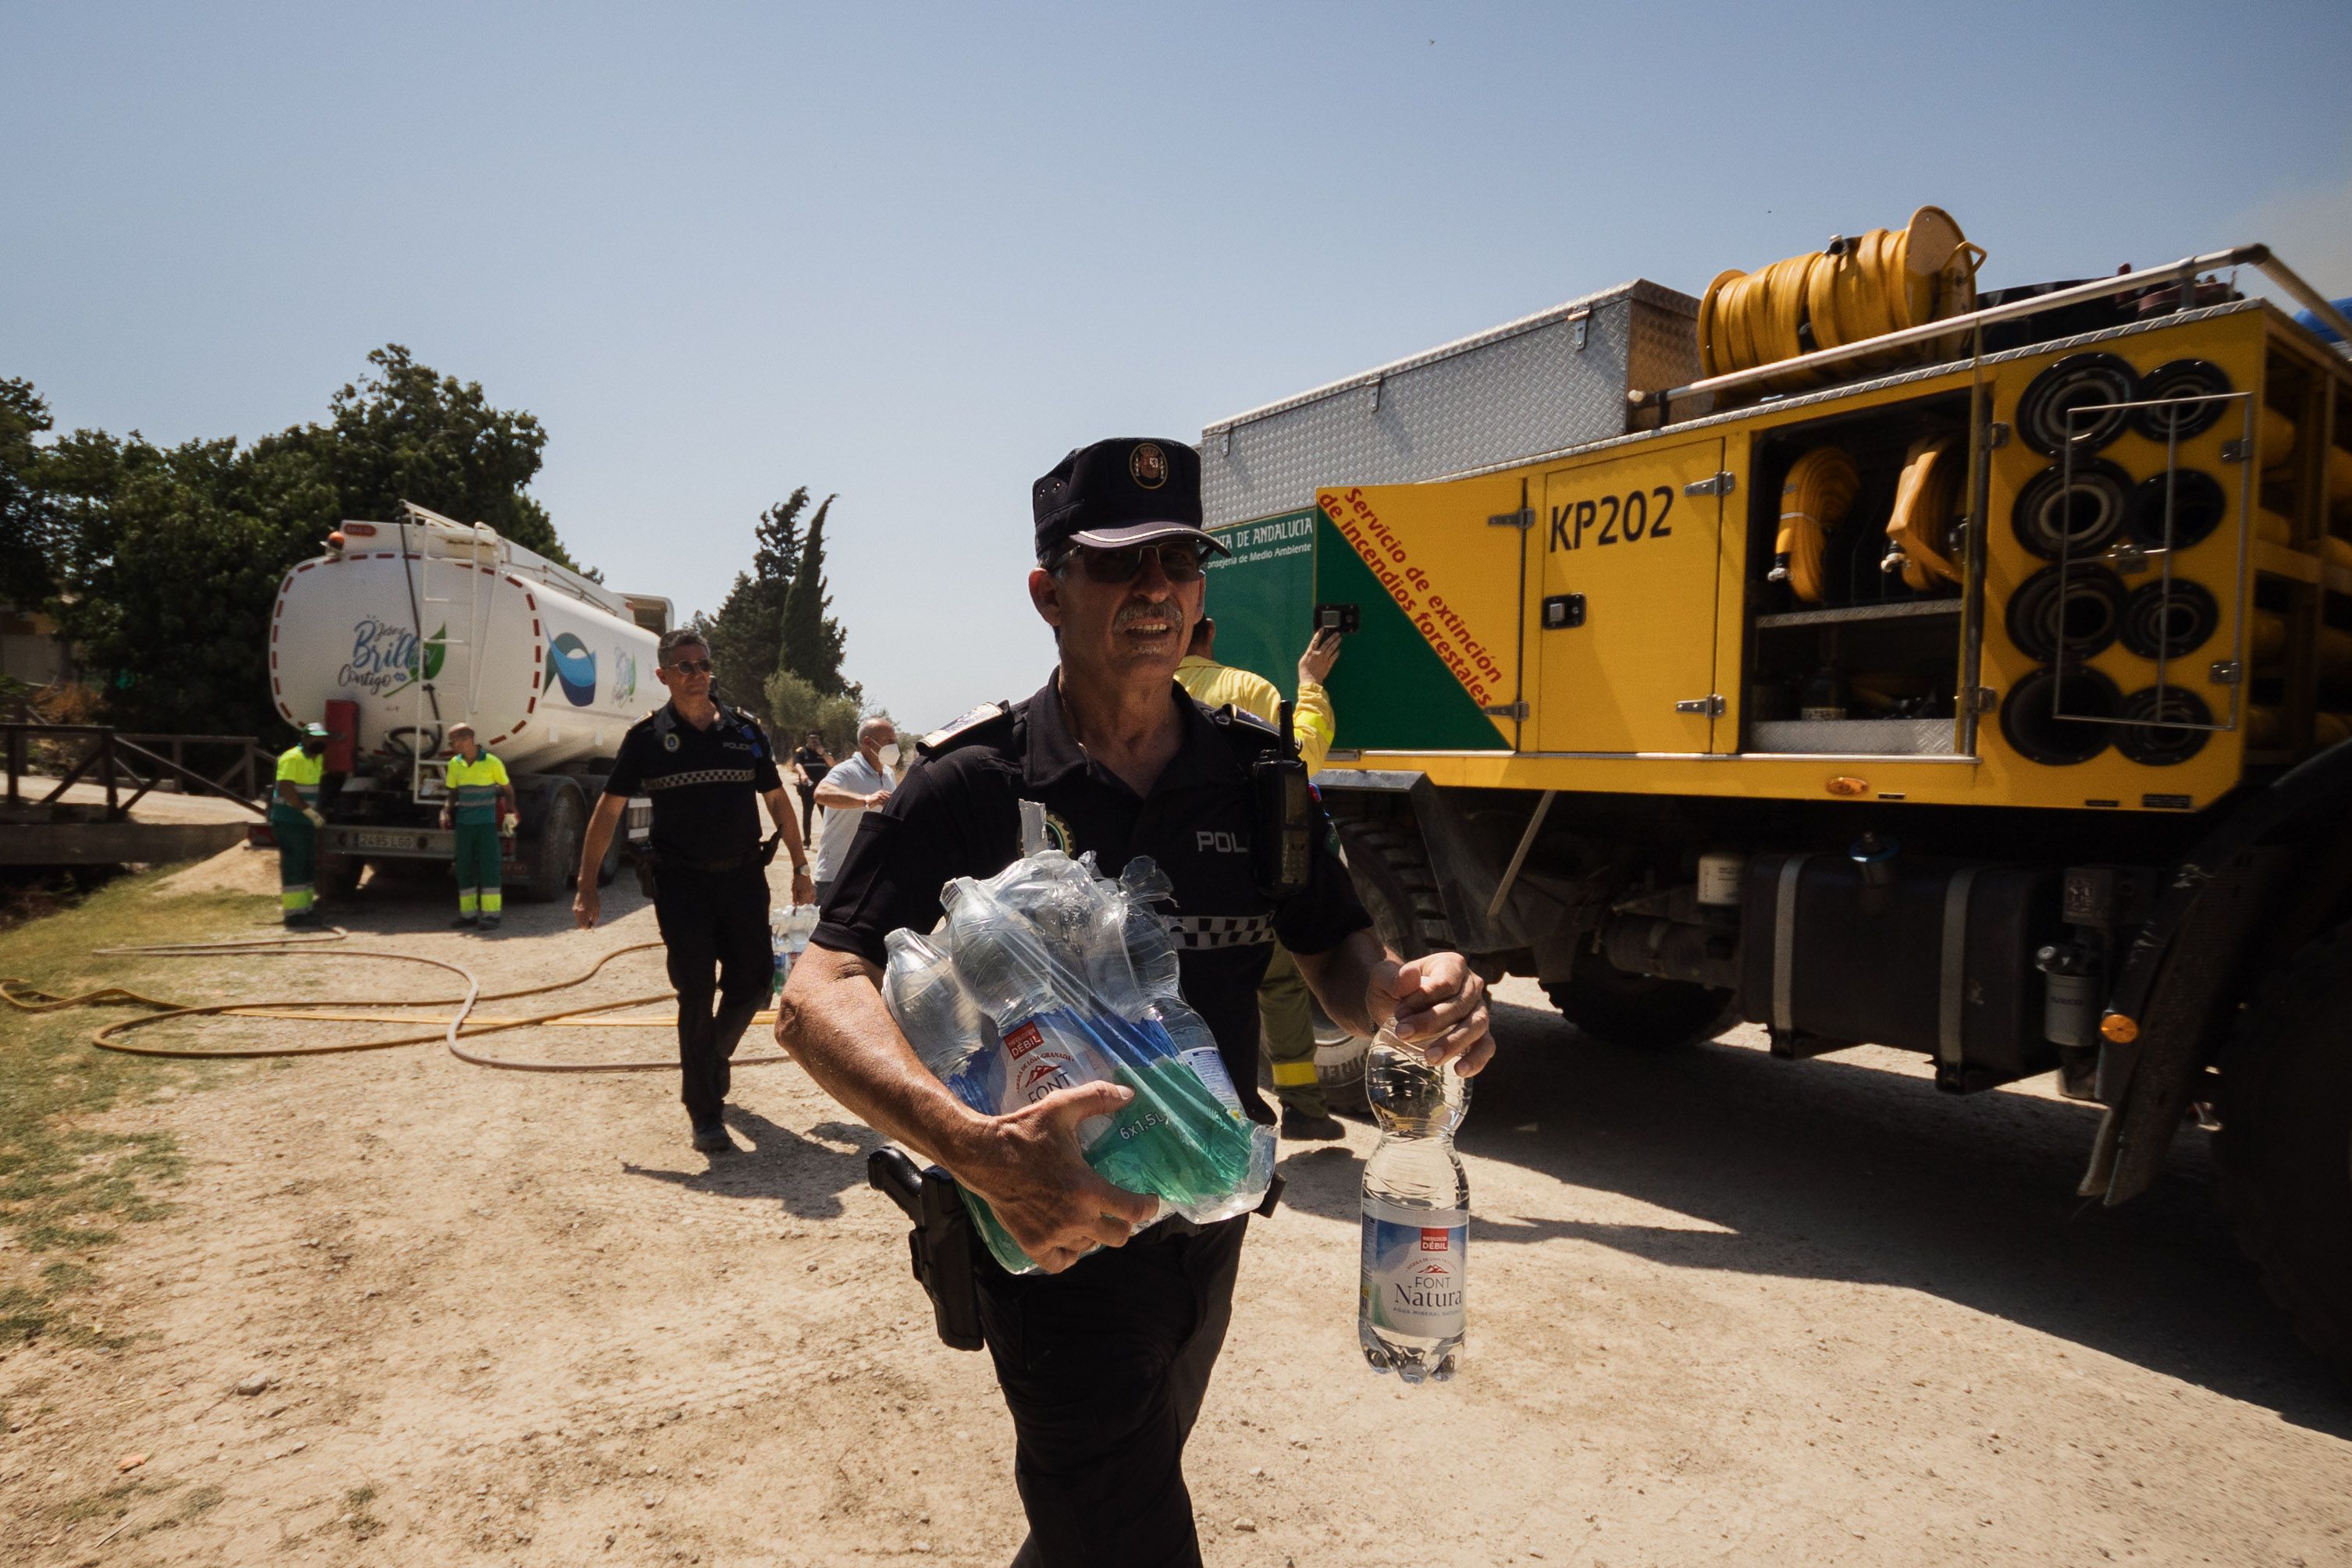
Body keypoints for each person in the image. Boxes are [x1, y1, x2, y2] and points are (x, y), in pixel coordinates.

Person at [774, 437, 1494, 1568]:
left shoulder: (1259, 777)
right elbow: (815, 991)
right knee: (1129, 1534)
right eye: (1119, 564)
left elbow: (1334, 950)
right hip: (1046, 1232)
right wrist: (974, 1149)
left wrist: (1406, 1002)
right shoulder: (972, 781)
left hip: (1208, 1216)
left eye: (1178, 560)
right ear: (1048, 592)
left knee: (1101, 1513)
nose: (1156, 588)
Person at [575, 629, 816, 1153]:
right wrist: (587, 884)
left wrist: (800, 863)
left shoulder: (745, 733)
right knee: (695, 992)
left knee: (754, 983)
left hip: (742, 878)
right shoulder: (645, 739)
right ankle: (704, 1110)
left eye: (703, 663)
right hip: (681, 883)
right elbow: (607, 811)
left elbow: (776, 801)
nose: (696, 673)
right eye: (684, 666)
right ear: (662, 675)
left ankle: (712, 1060)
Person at [1175, 616, 1346, 1140]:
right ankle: (1301, 1109)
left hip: (1167, 872)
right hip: (1240, 868)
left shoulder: (1133, 692)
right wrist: (1311, 685)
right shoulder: (1243, 688)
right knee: (1278, 981)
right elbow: (1301, 755)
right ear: (1209, 632)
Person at [808, 716, 898, 908]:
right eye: (888, 741)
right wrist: (865, 800)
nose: (894, 746)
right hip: (836, 874)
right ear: (868, 742)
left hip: (870, 874)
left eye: (895, 741)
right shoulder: (847, 770)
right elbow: (821, 793)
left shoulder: (888, 774)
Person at [437, 721, 518, 931]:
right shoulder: (454, 764)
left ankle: (492, 916)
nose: (455, 746)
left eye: (457, 741)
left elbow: (508, 791)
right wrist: (446, 810)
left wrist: (509, 813)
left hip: (486, 825)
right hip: (464, 825)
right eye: (452, 742)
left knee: (490, 868)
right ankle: (468, 916)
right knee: (463, 869)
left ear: (470, 739)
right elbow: (453, 792)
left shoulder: (492, 762)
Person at [270, 721, 331, 928]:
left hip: (304, 822)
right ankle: (294, 915)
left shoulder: (317, 758)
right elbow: (287, 789)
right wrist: (309, 812)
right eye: (315, 738)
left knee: (306, 864)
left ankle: (305, 910)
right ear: (304, 739)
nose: (319, 741)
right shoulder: (291, 757)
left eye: (322, 738)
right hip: (289, 820)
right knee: (295, 864)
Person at [791, 731, 833, 839]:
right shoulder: (802, 752)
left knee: (826, 815)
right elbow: (797, 764)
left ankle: (827, 838)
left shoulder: (824, 752)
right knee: (807, 815)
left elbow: (833, 764)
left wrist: (823, 753)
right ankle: (807, 841)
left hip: (823, 789)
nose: (814, 740)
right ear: (807, 739)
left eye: (816, 738)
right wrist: (803, 774)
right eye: (812, 738)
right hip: (807, 789)